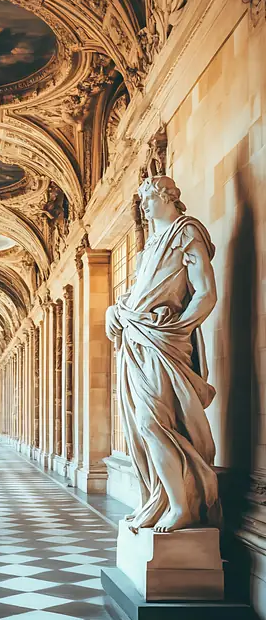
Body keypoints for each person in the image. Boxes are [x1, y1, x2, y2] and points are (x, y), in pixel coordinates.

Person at [105, 175, 220, 533]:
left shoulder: (186, 233)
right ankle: (162, 500)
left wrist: (178, 328)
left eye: (148, 198)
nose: (143, 206)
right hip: (137, 341)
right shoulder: (148, 248)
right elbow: (136, 295)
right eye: (142, 200)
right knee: (141, 429)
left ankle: (181, 506)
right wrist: (114, 310)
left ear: (168, 197)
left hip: (163, 343)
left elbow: (205, 294)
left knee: (152, 423)